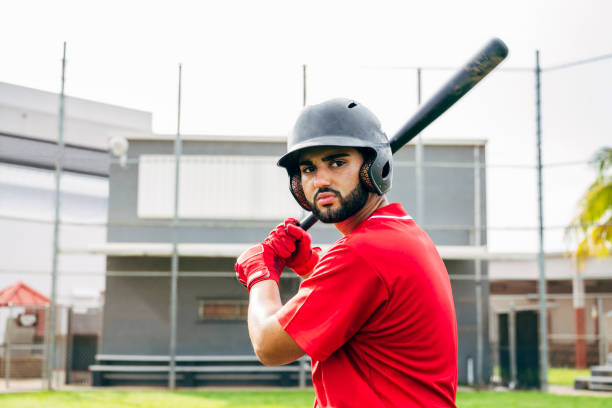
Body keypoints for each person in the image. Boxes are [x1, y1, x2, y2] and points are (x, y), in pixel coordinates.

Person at [235, 98, 458, 407]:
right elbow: (366, 310)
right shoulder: (403, 234)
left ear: (373, 167)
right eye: (309, 168)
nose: (321, 180)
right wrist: (310, 265)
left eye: (337, 163)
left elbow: (269, 346)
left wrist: (260, 273)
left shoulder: (361, 253)